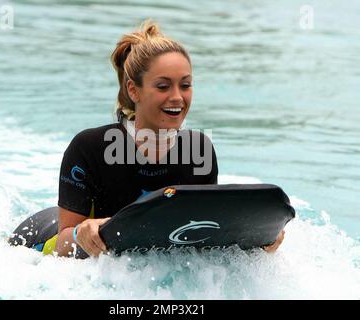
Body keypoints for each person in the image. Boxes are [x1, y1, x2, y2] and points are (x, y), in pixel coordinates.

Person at [55, 20, 284, 258]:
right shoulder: (90, 147)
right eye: (163, 86)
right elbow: (61, 245)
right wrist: (79, 233)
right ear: (134, 90)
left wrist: (257, 238)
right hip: (43, 241)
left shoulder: (198, 149)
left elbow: (206, 237)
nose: (177, 97)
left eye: (185, 85)